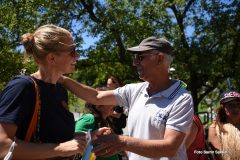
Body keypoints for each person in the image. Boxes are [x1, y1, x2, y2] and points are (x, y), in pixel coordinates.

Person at [59, 36, 194, 160]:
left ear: (159, 59)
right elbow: (96, 96)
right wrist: (61, 79)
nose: (135, 63)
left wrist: (123, 142)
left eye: (140, 57)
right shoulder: (135, 90)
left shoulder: (181, 99)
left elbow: (170, 148)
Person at [0, 24, 86, 159]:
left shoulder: (60, 91)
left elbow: (48, 136)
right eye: (72, 51)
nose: (78, 56)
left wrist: (83, 137)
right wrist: (59, 149)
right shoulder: (22, 87)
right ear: (52, 58)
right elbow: (2, 146)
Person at [75, 87, 119, 160]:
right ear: (99, 106)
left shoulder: (106, 120)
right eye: (110, 100)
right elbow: (76, 141)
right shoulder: (89, 118)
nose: (114, 104)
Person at [208, 90, 240, 160]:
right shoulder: (214, 128)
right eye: (230, 105)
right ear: (223, 108)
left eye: (238, 104)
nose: (236, 108)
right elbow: (221, 156)